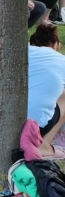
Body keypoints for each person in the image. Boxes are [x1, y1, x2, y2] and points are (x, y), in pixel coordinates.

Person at [27, 23, 65, 158]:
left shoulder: (21, 52)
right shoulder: (61, 60)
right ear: (56, 45)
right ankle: (44, 145)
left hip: (6, 121)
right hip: (37, 127)